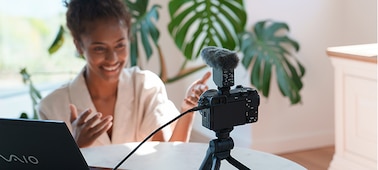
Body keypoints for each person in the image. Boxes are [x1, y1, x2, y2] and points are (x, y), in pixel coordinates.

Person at [38, 0, 210, 148]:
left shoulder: (146, 86)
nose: (112, 58)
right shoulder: (52, 107)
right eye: (99, 48)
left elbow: (168, 155)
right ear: (79, 45)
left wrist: (188, 111)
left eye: (120, 45)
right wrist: (76, 146)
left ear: (128, 38)